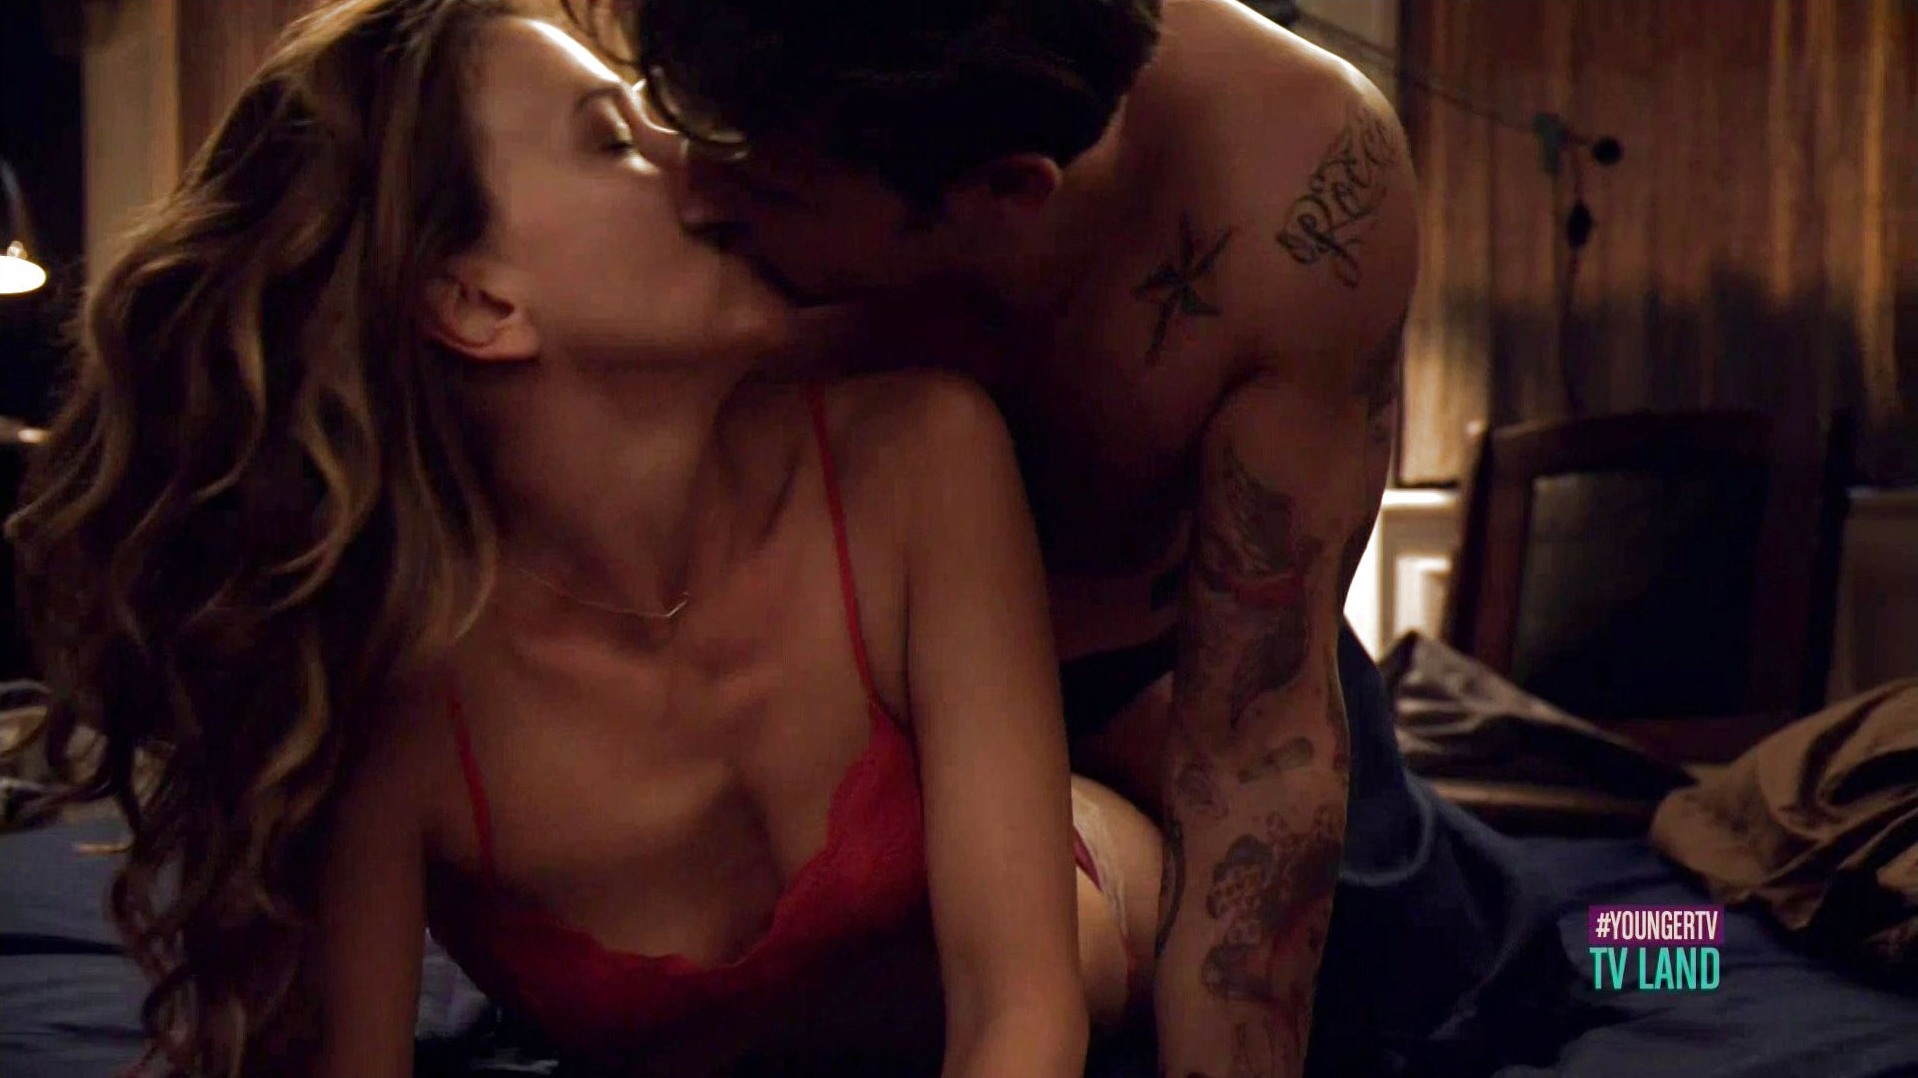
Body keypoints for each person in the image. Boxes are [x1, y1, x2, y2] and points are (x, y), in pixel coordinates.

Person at [4, 2, 1163, 1076]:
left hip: (1069, 909)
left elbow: (1019, 1007)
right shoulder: (403, 698)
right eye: (615, 140)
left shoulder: (916, 453)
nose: (707, 161)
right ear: (477, 301)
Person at [581, 0, 1601, 1075]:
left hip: (1190, 668)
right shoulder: (743, 125)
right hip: (866, 715)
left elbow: (1254, 740)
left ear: (1007, 189)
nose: (689, 192)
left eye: (772, 190)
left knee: (1500, 967)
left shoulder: (1283, 182)